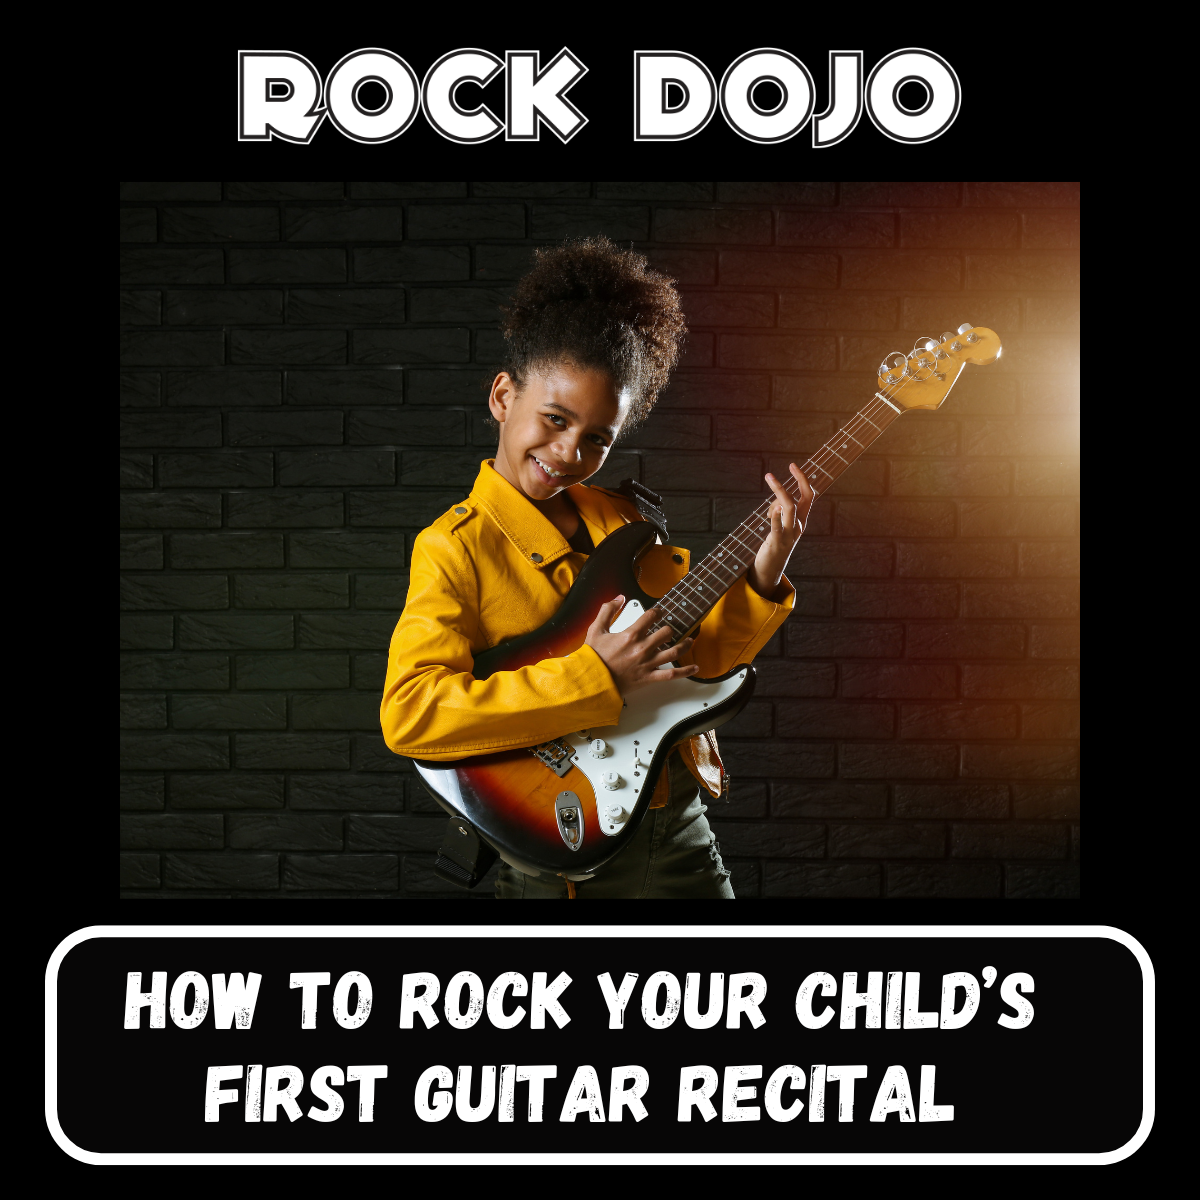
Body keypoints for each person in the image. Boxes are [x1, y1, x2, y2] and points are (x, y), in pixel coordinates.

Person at [380, 236, 814, 898]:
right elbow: (412, 713)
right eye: (553, 420)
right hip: (558, 846)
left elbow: (694, 662)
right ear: (502, 396)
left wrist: (762, 574)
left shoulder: (625, 523)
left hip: (677, 824)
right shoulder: (455, 546)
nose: (567, 452)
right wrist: (592, 675)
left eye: (596, 440)